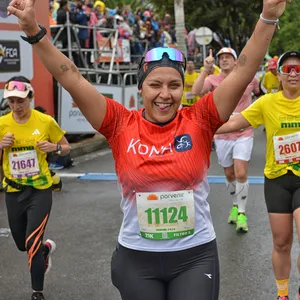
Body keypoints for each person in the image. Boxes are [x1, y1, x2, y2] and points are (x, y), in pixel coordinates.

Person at [6, 0, 289, 299]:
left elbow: (242, 72)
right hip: (137, 257)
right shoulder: (118, 122)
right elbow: (70, 76)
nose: (165, 95)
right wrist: (33, 31)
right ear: (141, 87)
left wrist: (268, 16)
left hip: (195, 255)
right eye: (155, 84)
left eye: (174, 85)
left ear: (183, 87)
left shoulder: (201, 119)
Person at [215, 50, 300, 300]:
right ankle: (282, 294)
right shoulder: (266, 103)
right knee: (282, 242)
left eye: (299, 69)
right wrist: (195, 125)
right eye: (288, 69)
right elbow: (235, 122)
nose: (294, 73)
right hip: (276, 180)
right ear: (279, 74)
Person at [0, 76, 70, 300]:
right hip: (13, 190)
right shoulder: (2, 124)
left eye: (20, 101)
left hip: (40, 190)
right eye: (11, 101)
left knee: (31, 242)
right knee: (23, 244)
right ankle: (44, 251)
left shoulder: (45, 121)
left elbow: (66, 148)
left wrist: (54, 147)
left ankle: (36, 292)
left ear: (30, 98)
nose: (16, 106)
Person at [192, 47, 260, 233]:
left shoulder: (249, 79)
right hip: (221, 133)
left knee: (240, 172)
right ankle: (236, 206)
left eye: (228, 57)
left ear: (236, 61)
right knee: (229, 175)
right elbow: (195, 91)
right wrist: (205, 69)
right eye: (221, 57)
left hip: (244, 131)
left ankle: (242, 214)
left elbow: (259, 93)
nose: (224, 60)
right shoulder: (212, 79)